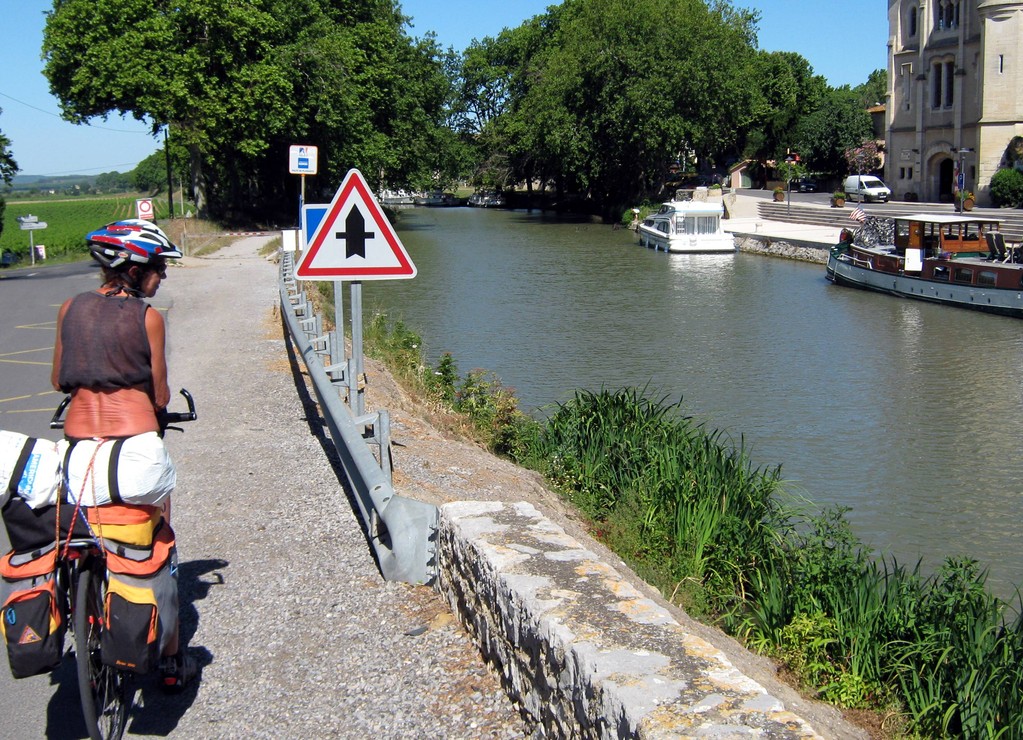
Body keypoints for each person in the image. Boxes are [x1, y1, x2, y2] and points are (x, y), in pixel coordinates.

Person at [50, 219, 195, 691]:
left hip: (76, 452)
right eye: (157, 267)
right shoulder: (147, 317)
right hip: (133, 451)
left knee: (82, 526)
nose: (162, 276)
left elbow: (58, 380)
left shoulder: (70, 307)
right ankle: (171, 660)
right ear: (131, 269)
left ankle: (81, 595)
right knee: (158, 541)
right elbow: (158, 392)